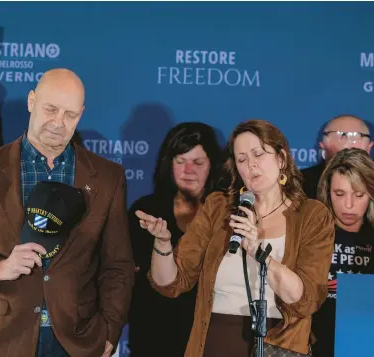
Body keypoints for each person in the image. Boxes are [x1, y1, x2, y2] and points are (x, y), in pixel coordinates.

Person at [0, 68, 134, 357]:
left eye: (70, 114)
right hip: (1, 340)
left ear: (82, 114)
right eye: (50, 109)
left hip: (78, 341)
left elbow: (118, 265)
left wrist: (110, 331)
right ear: (31, 101)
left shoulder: (107, 177)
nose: (58, 122)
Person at [137, 119, 335, 357]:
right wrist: (162, 244)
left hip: (279, 345)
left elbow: (304, 300)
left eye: (258, 154)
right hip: (216, 343)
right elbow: (170, 283)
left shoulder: (311, 215)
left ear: (281, 158)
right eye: (242, 159)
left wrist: (259, 252)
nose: (251, 165)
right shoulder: (218, 207)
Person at [127, 122, 224, 357]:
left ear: (213, 164)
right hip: (153, 338)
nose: (188, 170)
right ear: (168, 164)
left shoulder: (227, 214)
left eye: (198, 162)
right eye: (180, 161)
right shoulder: (146, 210)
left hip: (211, 339)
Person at [311, 148, 374, 357]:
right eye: (339, 194)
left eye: (359, 195)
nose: (348, 205)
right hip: (314, 345)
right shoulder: (310, 234)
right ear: (327, 191)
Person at [302, 115, 373, 199]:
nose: (346, 141)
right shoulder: (301, 183)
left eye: (359, 195)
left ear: (369, 147)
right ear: (322, 146)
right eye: (339, 135)